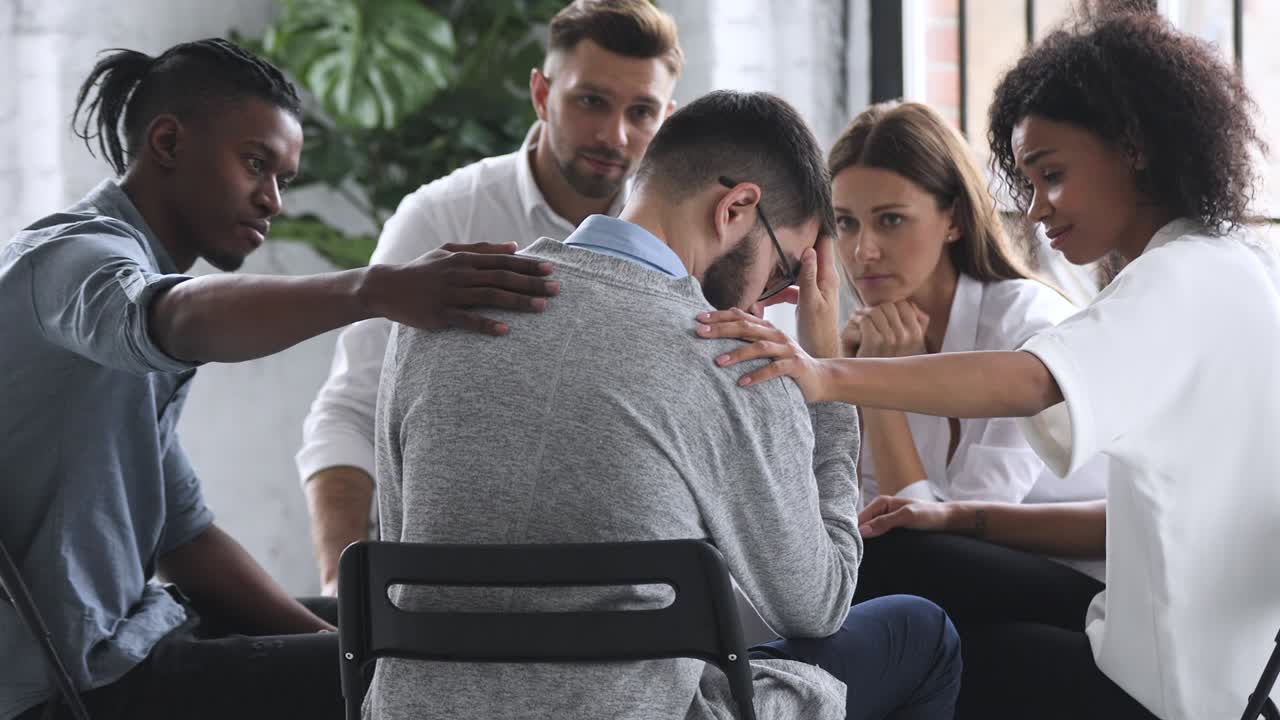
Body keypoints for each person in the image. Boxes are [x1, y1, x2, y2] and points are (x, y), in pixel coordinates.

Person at [697, 9, 1277, 720]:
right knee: (907, 572)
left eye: (1053, 175)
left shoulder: (1177, 278)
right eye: (1027, 183)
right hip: (1186, 652)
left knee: (913, 626)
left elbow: (1028, 380)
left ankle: (728, 704)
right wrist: (959, 519)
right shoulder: (1222, 266)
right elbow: (1134, 517)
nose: (1035, 211)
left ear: (1135, 148)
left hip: (1176, 688)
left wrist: (826, 373)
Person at [0, 39, 557, 720]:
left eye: (283, 178)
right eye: (256, 165)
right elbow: (171, 319)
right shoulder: (72, 260)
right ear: (168, 142)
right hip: (73, 685)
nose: (273, 201)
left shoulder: (131, 300)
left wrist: (351, 655)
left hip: (142, 635)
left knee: (412, 634)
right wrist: (374, 289)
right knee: (443, 678)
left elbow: (185, 540)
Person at [373, 90, 961, 720]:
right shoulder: (731, 358)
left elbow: (396, 540)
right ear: (736, 208)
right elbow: (817, 603)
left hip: (417, 709)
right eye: (780, 269)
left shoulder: (441, 308)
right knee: (921, 633)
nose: (767, 303)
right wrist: (828, 388)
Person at [296, 0, 683, 596]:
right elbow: (353, 408)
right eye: (591, 101)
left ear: (667, 118)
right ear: (541, 93)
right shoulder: (442, 216)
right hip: (444, 574)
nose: (615, 135)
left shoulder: (682, 238)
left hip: (626, 582)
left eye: (642, 112)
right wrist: (338, 591)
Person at [829, 100, 1106, 516]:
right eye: (846, 223)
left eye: (890, 220)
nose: (862, 251)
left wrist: (874, 386)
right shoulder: (874, 337)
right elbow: (849, 522)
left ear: (954, 218)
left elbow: (945, 551)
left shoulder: (1029, 330)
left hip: (1076, 576)